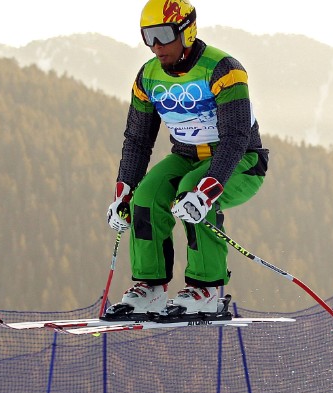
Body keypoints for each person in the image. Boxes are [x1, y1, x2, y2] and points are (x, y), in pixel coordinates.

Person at [105, 0, 269, 318]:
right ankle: (149, 288)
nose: (155, 46)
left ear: (187, 31)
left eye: (164, 35)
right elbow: (137, 141)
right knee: (146, 196)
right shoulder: (148, 78)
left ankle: (204, 289)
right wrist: (122, 193)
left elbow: (236, 139)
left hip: (242, 162)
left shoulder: (224, 69)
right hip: (186, 156)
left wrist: (207, 191)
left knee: (191, 192)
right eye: (148, 36)